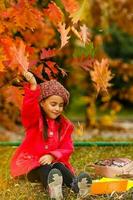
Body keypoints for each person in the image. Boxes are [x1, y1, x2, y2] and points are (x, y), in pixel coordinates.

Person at [10, 71, 92, 199]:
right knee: (45, 169)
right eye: (53, 104)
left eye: (61, 105)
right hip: (31, 166)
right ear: (42, 103)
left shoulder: (64, 126)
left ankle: (76, 186)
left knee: (59, 166)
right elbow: (29, 107)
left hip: (52, 164)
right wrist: (33, 86)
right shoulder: (34, 120)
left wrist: (53, 155)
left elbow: (67, 147)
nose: (57, 109)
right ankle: (53, 191)